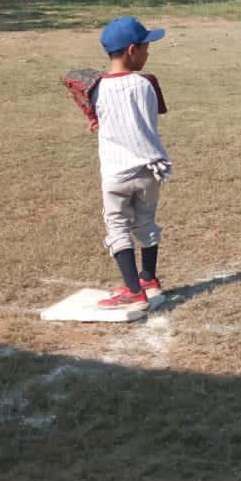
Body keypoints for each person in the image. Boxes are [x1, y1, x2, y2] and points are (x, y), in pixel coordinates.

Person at [94, 16, 172, 312]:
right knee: (146, 222)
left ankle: (134, 290)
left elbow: (105, 117)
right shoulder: (147, 82)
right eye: (145, 46)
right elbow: (147, 115)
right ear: (131, 50)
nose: (148, 52)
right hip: (150, 169)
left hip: (116, 172)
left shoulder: (97, 88)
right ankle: (149, 278)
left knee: (117, 226)